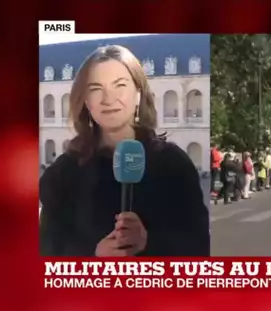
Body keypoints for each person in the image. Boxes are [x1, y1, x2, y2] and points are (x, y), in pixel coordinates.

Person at [39, 45, 209, 257]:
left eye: (120, 85)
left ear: (138, 95)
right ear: (85, 101)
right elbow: (47, 250)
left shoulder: (173, 165)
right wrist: (93, 257)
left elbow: (200, 247)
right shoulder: (63, 173)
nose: (108, 98)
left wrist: (149, 242)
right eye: (95, 88)